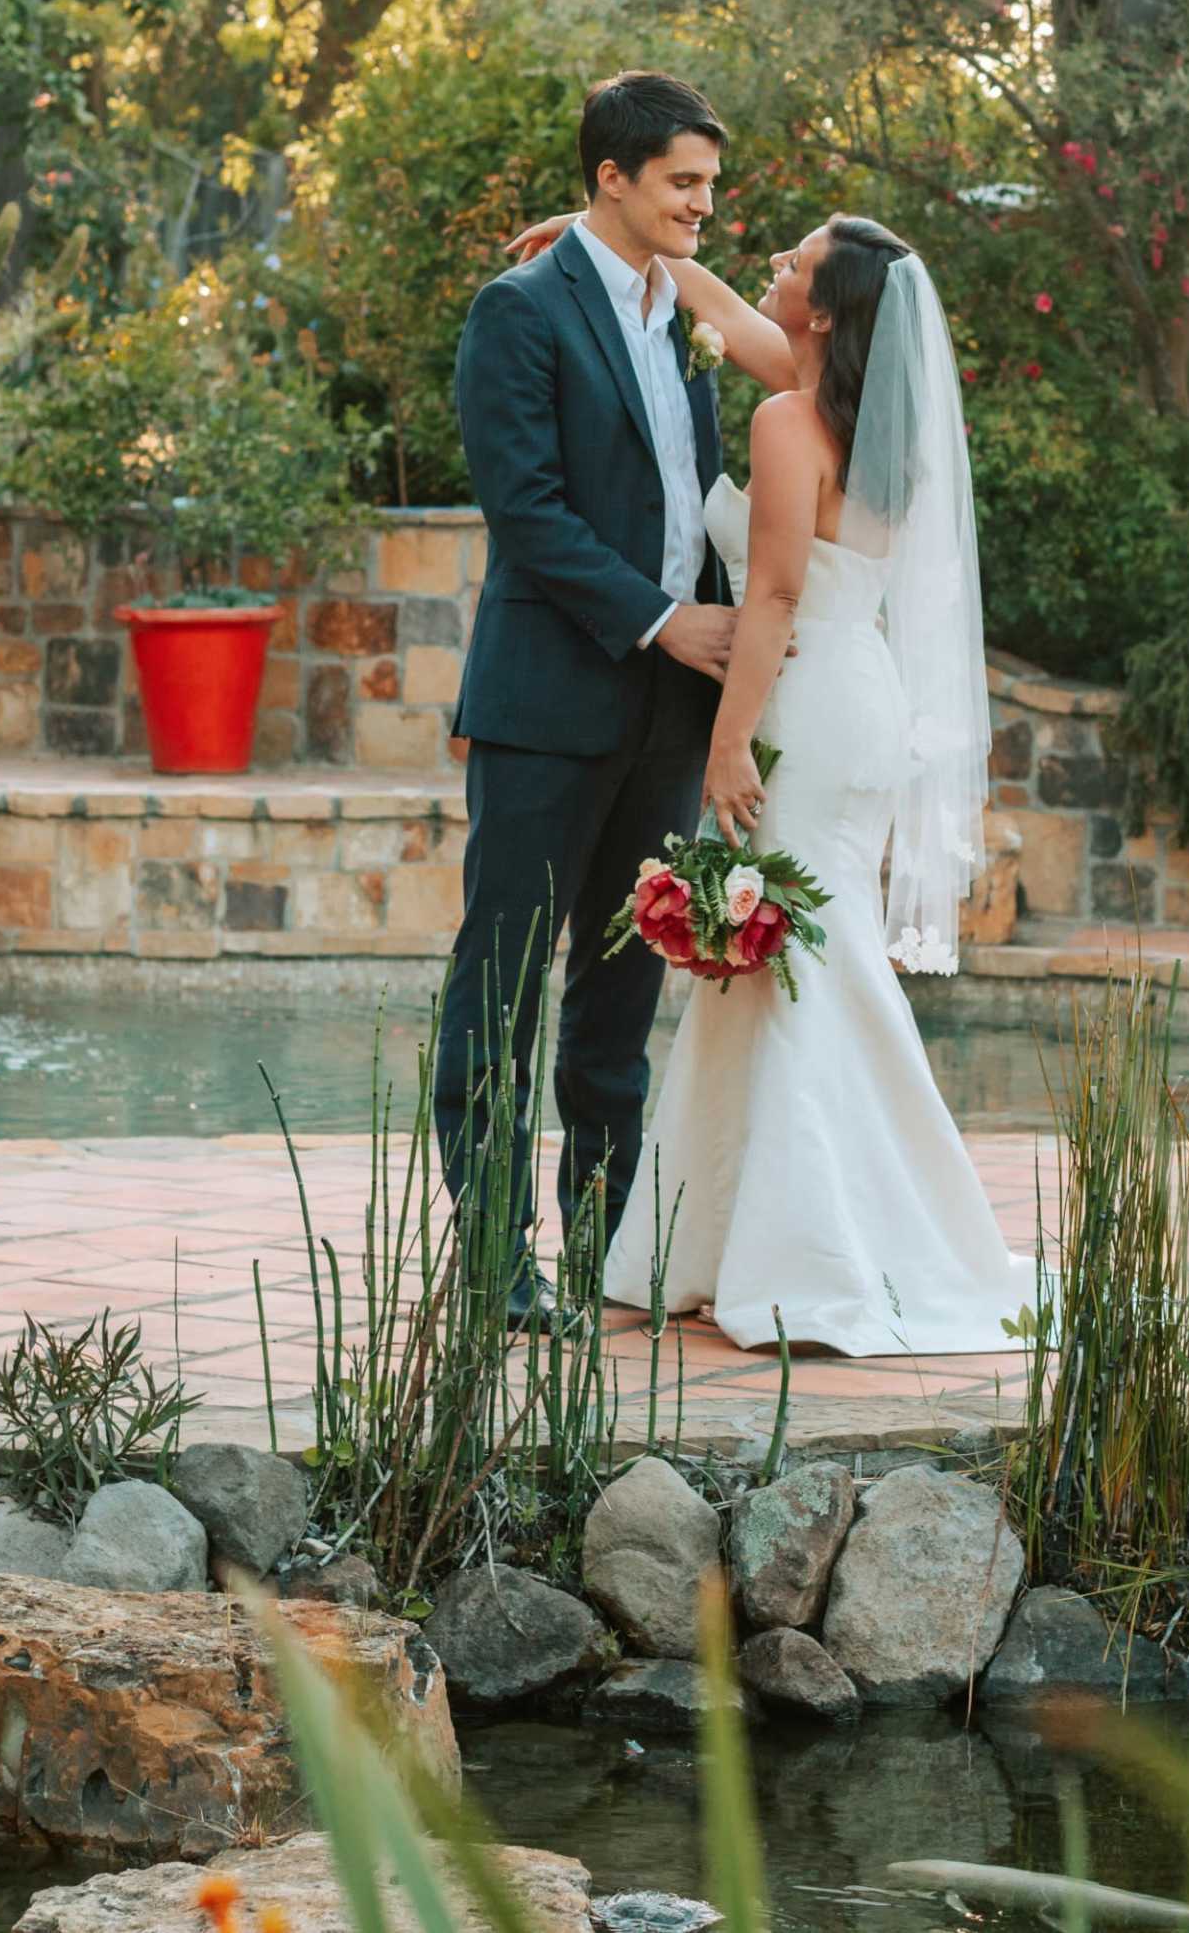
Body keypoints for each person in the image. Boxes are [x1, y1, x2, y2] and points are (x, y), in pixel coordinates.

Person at [502, 204, 1029, 1355]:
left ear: (828, 314)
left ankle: (822, 1249)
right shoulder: (863, 419)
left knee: (796, 957)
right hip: (857, 698)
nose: (771, 267)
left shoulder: (793, 418)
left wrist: (729, 743)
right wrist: (605, 240)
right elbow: (730, 310)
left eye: (794, 264)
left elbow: (776, 598)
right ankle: (765, 1234)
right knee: (800, 950)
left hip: (799, 698)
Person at [433, 72, 738, 1330]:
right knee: (502, 982)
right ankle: (498, 1260)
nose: (703, 207)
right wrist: (667, 621)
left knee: (620, 997)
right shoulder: (519, 312)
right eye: (682, 182)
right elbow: (529, 513)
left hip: (669, 721)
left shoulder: (685, 319)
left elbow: (699, 497)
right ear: (610, 178)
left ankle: (606, 1245)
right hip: (548, 705)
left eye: (711, 186)